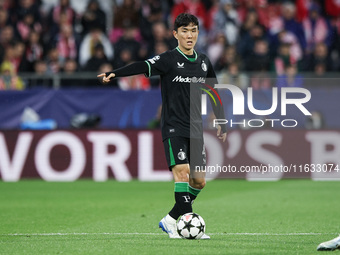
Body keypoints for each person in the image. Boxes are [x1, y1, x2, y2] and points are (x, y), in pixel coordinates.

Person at [98, 13, 227, 239]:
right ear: (175, 34)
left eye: (193, 30)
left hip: (195, 129)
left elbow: (213, 90)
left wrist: (220, 119)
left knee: (199, 181)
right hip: (173, 126)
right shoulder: (168, 59)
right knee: (182, 173)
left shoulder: (204, 61)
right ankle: (188, 224)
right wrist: (114, 73)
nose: (190, 35)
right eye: (185, 31)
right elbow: (141, 65)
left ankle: (169, 220)